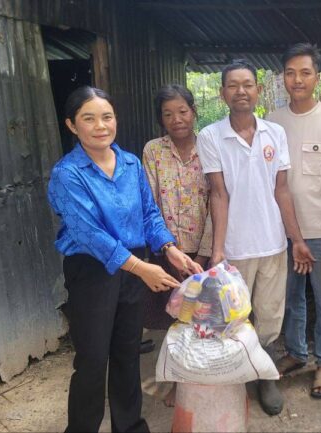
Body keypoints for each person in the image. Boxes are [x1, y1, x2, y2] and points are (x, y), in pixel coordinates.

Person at [47, 86, 203, 433]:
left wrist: (170, 249)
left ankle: (130, 427)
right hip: (92, 270)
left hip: (134, 267)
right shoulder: (67, 174)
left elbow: (149, 214)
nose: (100, 126)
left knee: (127, 352)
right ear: (72, 125)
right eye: (89, 119)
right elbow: (89, 233)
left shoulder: (130, 163)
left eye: (107, 117)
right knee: (92, 360)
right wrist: (142, 268)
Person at [196, 59, 315, 416]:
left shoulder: (274, 134)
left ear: (258, 90)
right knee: (233, 316)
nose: (241, 91)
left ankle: (265, 375)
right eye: (233, 85)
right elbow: (219, 194)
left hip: (273, 244)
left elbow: (282, 190)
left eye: (247, 84)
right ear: (223, 94)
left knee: (270, 315)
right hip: (235, 248)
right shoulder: (211, 136)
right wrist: (218, 250)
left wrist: (296, 239)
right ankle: (233, 377)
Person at [266, 43, 321, 399]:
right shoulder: (271, 121)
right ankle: (297, 353)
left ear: (317, 77)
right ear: (282, 77)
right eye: (290, 73)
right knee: (291, 298)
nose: (297, 80)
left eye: (305, 73)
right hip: (281, 231)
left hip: (320, 231)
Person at [141, 84, 213, 405]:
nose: (177, 119)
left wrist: (205, 254)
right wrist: (166, 248)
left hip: (202, 251)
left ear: (193, 112)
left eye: (182, 111)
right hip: (167, 250)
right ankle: (176, 381)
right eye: (168, 114)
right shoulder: (153, 151)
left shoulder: (210, 148)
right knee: (175, 320)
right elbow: (149, 203)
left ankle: (201, 378)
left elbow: (217, 201)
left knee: (202, 317)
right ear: (161, 119)